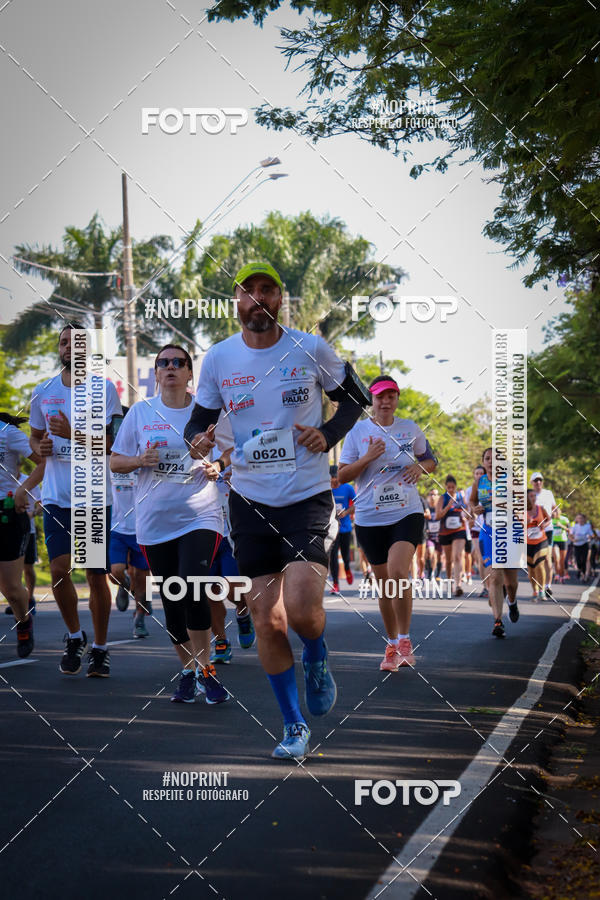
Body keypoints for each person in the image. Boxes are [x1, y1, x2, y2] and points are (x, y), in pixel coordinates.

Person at [184, 261, 370, 760]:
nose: (258, 299)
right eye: (249, 292)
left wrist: (328, 434)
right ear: (237, 303)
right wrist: (198, 440)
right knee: (267, 617)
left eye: (268, 291)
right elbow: (199, 421)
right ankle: (293, 726)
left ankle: (316, 652)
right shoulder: (220, 359)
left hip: (306, 497)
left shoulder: (310, 348)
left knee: (306, 612)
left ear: (280, 300)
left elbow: (356, 398)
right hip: (248, 500)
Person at [111, 344, 230, 704]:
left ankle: (207, 671)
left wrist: (218, 465)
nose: (171, 368)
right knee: (172, 600)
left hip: (200, 514)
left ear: (190, 372)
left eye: (178, 362)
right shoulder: (141, 414)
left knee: (192, 587)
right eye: (163, 363)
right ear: (157, 372)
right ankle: (190, 669)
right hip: (154, 521)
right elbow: (115, 461)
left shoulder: (207, 412)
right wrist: (138, 459)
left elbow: (231, 450)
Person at [26, 324, 122, 676]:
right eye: (64, 342)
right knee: (57, 570)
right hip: (56, 496)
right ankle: (73, 636)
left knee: (96, 576)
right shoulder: (43, 391)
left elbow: (114, 445)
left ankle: (99, 648)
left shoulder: (104, 389)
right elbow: (35, 439)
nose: (69, 347)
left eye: (77, 342)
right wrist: (42, 448)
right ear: (60, 348)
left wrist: (73, 434)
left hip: (94, 495)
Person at [338, 375, 437, 671]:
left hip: (406, 511)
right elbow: (342, 476)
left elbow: (431, 459)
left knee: (397, 571)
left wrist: (420, 468)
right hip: (369, 516)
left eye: (391, 396)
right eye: (380, 396)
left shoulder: (410, 429)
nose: (385, 401)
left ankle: (406, 640)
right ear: (372, 400)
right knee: (384, 586)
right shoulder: (357, 432)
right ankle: (392, 644)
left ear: (397, 399)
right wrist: (367, 457)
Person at [207, 421, 256, 664]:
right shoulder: (193, 448)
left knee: (232, 584)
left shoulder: (239, 446)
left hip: (232, 530)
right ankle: (221, 641)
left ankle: (243, 611)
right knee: (210, 589)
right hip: (203, 529)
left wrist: (235, 476)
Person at [108, 406, 152, 639]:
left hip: (141, 527)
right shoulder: (111, 457)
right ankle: (123, 586)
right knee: (115, 572)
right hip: (118, 527)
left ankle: (139, 618)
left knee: (142, 578)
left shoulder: (145, 452)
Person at [0, 412, 40, 656]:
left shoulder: (8, 433)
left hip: (7, 513)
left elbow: (44, 463)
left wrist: (23, 490)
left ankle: (23, 622)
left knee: (12, 590)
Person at [470, 447, 520, 637]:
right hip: (489, 532)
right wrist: (475, 509)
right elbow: (472, 501)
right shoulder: (479, 481)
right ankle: (498, 621)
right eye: (487, 458)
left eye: (495, 458)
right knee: (494, 577)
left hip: (510, 532)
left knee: (511, 583)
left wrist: (508, 504)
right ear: (483, 462)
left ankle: (512, 602)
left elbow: (528, 505)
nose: (491, 461)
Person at [436, 476, 467, 597]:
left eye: (453, 487)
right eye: (448, 487)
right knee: (448, 561)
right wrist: (449, 505)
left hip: (459, 530)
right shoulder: (442, 498)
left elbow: (468, 510)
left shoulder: (461, 497)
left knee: (457, 556)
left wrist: (468, 515)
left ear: (456, 487)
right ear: (445, 487)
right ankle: (449, 582)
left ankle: (458, 585)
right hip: (445, 532)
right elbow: (438, 516)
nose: (451, 489)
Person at [17, 467, 42, 616]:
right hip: (10, 531)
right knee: (12, 569)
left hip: (28, 531)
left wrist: (31, 514)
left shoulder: (29, 480)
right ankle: (19, 601)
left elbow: (40, 505)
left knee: (28, 567)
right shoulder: (4, 482)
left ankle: (30, 598)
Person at [328, 464, 356, 593]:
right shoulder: (326, 490)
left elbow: (357, 503)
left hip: (345, 528)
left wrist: (346, 512)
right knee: (333, 556)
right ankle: (335, 583)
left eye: (334, 479)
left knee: (345, 555)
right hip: (332, 529)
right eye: (331, 480)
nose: (333, 482)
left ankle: (347, 567)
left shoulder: (347, 488)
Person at [530, 472, 557, 598]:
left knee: (547, 558)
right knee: (534, 562)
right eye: (536, 480)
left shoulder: (548, 493)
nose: (538, 482)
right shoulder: (529, 495)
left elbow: (554, 507)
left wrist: (557, 512)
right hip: (531, 533)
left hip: (547, 530)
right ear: (532, 482)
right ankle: (537, 586)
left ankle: (547, 586)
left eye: (540, 480)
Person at [526, 489, 551, 601]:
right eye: (530, 496)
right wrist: (525, 522)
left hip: (541, 540)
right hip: (527, 543)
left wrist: (544, 525)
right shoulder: (521, 511)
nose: (533, 498)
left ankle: (542, 591)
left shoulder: (540, 508)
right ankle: (535, 590)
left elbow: (549, 520)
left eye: (534, 495)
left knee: (539, 563)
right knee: (531, 569)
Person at [570, 513, 594, 582]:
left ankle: (583, 573)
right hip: (576, 545)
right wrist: (573, 539)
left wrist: (590, 536)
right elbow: (570, 535)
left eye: (581, 518)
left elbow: (592, 535)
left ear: (584, 519)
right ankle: (579, 570)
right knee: (578, 561)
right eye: (578, 518)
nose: (580, 520)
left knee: (584, 560)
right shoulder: (575, 526)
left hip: (584, 544)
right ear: (577, 519)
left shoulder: (587, 526)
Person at [424, 488, 441, 580]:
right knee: (430, 553)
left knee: (438, 555)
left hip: (439, 535)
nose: (433, 497)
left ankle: (436, 573)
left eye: (435, 494)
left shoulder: (440, 507)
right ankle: (430, 571)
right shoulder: (427, 508)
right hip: (430, 535)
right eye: (431, 494)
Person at [551, 507, 570, 583]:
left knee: (562, 561)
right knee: (556, 558)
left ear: (559, 511)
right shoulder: (551, 520)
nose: (554, 513)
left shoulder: (564, 519)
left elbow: (569, 530)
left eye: (556, 511)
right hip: (554, 541)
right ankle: (557, 574)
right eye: (553, 511)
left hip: (563, 540)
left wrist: (561, 526)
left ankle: (562, 576)